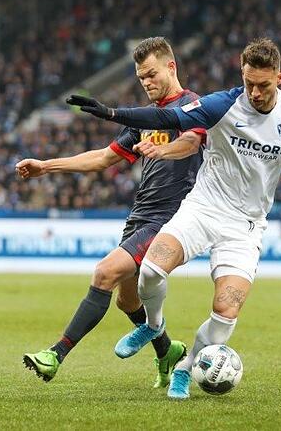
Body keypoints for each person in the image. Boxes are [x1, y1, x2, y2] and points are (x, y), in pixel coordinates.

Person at [66, 37, 281, 399]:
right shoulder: (222, 105)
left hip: (246, 226)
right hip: (203, 208)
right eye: (249, 83)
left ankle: (185, 367)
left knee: (226, 311)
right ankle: (153, 325)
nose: (255, 93)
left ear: (280, 77)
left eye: (264, 85)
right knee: (150, 269)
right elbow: (167, 117)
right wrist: (113, 113)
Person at [18, 37, 207, 386]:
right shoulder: (146, 119)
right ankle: (168, 351)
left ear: (171, 67)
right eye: (141, 78)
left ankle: (55, 355)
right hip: (141, 215)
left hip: (172, 218)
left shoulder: (192, 107)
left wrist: (165, 150)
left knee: (104, 272)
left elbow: (191, 142)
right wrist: (46, 166)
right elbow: (104, 158)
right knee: (127, 301)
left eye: (151, 74)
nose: (146, 82)